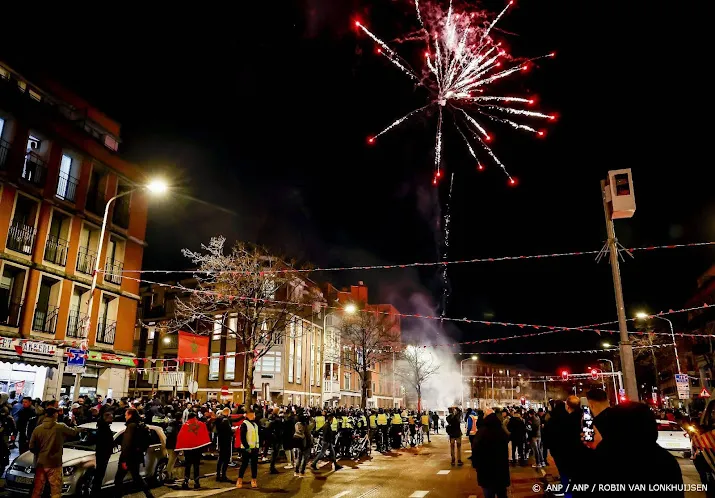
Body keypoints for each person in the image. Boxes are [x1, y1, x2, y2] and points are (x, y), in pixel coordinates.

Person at [29, 407, 81, 498]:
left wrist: (40, 454)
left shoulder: (37, 429)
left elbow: (31, 447)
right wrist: (78, 427)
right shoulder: (60, 427)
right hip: (54, 463)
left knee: (37, 488)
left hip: (41, 463)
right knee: (55, 489)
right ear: (54, 415)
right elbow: (73, 433)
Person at [114, 408, 155, 498]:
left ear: (130, 415)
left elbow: (126, 444)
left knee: (118, 479)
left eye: (126, 415)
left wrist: (124, 460)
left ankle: (118, 495)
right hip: (137, 455)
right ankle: (148, 494)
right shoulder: (140, 425)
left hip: (129, 457)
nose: (125, 417)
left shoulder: (131, 426)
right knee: (136, 476)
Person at [472, 409, 510, 498]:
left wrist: (476, 465)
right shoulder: (500, 430)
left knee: (489, 493)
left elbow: (476, 449)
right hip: (500, 469)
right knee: (502, 494)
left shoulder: (482, 432)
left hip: (486, 469)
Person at [175, 411, 211, 489]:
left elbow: (181, 436)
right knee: (196, 466)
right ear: (195, 417)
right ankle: (196, 482)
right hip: (197, 449)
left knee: (187, 466)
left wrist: (181, 448)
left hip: (188, 449)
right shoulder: (201, 424)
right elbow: (204, 433)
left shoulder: (185, 425)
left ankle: (185, 482)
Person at [236, 408, 260, 489]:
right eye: (253, 414)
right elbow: (242, 437)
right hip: (247, 449)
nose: (254, 416)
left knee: (254, 465)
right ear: (249, 415)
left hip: (255, 448)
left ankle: (254, 480)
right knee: (244, 464)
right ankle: (239, 480)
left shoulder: (255, 424)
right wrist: (247, 447)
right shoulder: (244, 424)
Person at [92, 411, 114, 497]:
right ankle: (96, 492)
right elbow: (107, 442)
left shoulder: (102, 427)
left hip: (101, 453)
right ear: (106, 418)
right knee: (99, 474)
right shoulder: (104, 429)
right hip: (103, 454)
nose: (112, 419)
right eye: (111, 418)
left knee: (99, 474)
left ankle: (96, 491)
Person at [215, 408, 233, 482]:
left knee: (221, 458)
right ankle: (223, 475)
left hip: (221, 440)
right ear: (227, 412)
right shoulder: (225, 420)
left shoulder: (218, 419)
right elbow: (228, 430)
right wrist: (233, 431)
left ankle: (218, 475)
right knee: (226, 459)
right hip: (226, 440)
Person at [164, 411, 182, 484]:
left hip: (169, 445)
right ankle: (168, 476)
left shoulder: (170, 424)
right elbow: (178, 437)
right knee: (171, 461)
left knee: (171, 461)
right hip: (174, 445)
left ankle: (170, 475)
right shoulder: (178, 426)